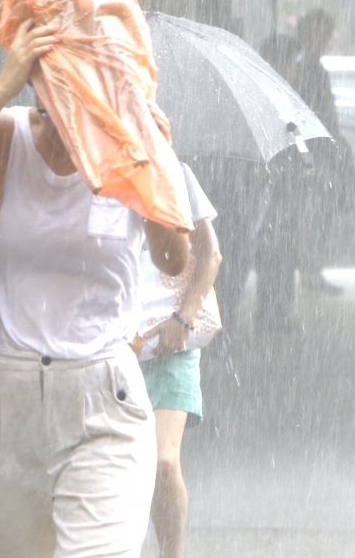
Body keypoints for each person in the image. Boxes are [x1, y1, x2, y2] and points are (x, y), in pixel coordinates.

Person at [0, 20, 190, 558]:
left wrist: (154, 162)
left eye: (83, 103)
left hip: (102, 396)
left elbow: (173, 258)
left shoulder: (132, 147)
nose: (67, 123)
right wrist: (0, 87)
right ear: (37, 89)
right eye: (53, 99)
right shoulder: (6, 134)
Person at [137, 164, 222, 558]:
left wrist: (185, 318)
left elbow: (210, 254)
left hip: (171, 343)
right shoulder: (86, 173)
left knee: (162, 461)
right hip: (109, 342)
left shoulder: (173, 172)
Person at [292, 8, 351, 295]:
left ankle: (311, 271)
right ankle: (309, 272)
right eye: (321, 35)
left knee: (316, 218)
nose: (325, 41)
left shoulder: (315, 72)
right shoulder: (304, 73)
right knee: (311, 218)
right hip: (311, 157)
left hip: (318, 156)